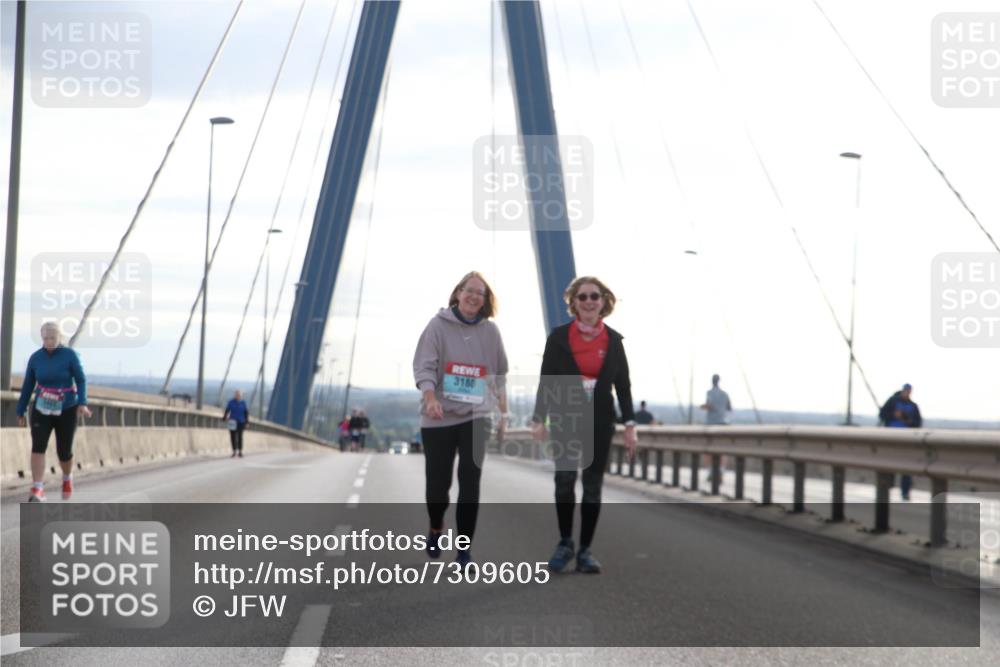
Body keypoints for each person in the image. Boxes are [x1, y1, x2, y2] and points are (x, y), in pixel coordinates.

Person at [532, 276, 637, 574]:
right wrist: (539, 418)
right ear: (573, 303)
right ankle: (565, 542)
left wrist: (630, 425)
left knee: (592, 487)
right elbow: (547, 381)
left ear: (604, 301)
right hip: (565, 418)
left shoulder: (614, 342)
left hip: (600, 421)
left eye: (594, 296)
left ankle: (586, 551)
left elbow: (624, 386)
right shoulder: (559, 338)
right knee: (564, 481)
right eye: (582, 297)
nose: (589, 301)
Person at [413, 271, 508, 568]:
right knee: (438, 486)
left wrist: (503, 412)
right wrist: (430, 399)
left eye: (480, 293)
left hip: (477, 416)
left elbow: (498, 375)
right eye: (470, 291)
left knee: (470, 482)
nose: (474, 296)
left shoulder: (491, 332)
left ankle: (464, 550)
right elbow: (425, 367)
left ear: (485, 300)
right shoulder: (436, 327)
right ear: (457, 293)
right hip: (439, 416)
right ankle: (436, 525)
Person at [16, 322, 92, 502]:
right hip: (42, 407)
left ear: (60, 338)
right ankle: (38, 488)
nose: (49, 341)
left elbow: (81, 380)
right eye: (45, 338)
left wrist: (82, 402)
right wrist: (21, 409)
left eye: (52, 338)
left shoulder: (70, 355)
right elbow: (28, 385)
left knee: (64, 451)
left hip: (66, 408)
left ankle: (67, 478)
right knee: (38, 445)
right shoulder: (36, 358)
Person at [879, 383, 923, 500]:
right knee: (888, 465)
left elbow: (917, 423)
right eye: (906, 391)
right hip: (890, 439)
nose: (907, 393)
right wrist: (893, 415)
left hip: (906, 440)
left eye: (909, 391)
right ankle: (886, 488)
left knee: (906, 467)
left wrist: (906, 419)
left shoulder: (913, 406)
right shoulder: (893, 401)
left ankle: (905, 492)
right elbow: (882, 414)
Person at [700, 373, 732, 486]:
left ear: (712, 381)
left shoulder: (709, 393)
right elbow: (729, 407)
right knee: (722, 450)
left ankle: (711, 471)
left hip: (711, 424)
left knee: (707, 449)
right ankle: (721, 470)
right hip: (723, 423)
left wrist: (703, 407)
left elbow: (709, 405)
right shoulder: (725, 394)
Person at [222, 389, 249, 457]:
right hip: (232, 422)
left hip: (241, 421)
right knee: (233, 436)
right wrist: (224, 417)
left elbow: (246, 413)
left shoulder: (243, 403)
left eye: (239, 395)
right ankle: (234, 451)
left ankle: (240, 451)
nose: (237, 396)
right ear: (235, 395)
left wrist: (247, 422)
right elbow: (227, 410)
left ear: (241, 396)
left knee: (240, 437)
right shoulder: (231, 402)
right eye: (236, 394)